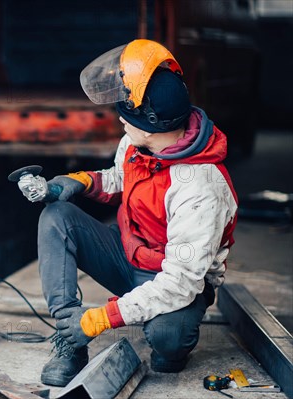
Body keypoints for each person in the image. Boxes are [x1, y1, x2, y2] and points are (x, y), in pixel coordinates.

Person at [17, 40, 238, 386]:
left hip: (176, 281)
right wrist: (74, 183)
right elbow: (121, 178)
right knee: (56, 217)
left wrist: (100, 318)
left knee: (167, 337)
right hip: (128, 256)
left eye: (127, 114)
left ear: (150, 125)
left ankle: (164, 343)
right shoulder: (139, 143)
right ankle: (69, 339)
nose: (120, 117)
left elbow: (181, 281)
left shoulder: (201, 187)